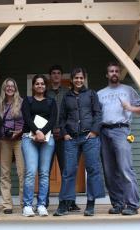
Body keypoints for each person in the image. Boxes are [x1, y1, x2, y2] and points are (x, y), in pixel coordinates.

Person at [54, 67, 105, 217]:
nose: (78, 80)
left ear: (84, 79)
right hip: (71, 138)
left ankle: (90, 203)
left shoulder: (91, 94)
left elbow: (98, 114)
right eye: (76, 78)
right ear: (72, 79)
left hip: (89, 137)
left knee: (93, 169)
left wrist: (95, 131)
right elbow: (62, 118)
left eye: (81, 78)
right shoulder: (67, 97)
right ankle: (65, 203)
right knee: (68, 171)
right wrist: (64, 134)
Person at [97, 61, 140, 215]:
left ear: (119, 73)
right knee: (109, 171)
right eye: (111, 71)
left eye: (117, 71)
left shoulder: (128, 90)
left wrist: (130, 108)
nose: (114, 73)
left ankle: (132, 205)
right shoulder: (100, 93)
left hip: (121, 131)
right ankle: (118, 204)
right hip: (104, 132)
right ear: (107, 74)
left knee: (125, 169)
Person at [21, 74, 57, 217]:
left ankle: (41, 204)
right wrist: (37, 132)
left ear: (45, 86)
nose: (40, 86)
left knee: (44, 173)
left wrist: (42, 133)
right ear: (33, 86)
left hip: (47, 140)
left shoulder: (51, 102)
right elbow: (27, 117)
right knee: (30, 172)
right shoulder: (27, 101)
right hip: (29, 138)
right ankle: (27, 205)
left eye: (42, 84)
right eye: (37, 83)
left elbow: (53, 119)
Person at [47, 65, 80, 211]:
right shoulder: (45, 93)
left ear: (61, 76)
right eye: (53, 73)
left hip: (64, 135)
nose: (55, 76)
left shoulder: (68, 93)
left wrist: (64, 130)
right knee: (45, 170)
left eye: (58, 73)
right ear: (50, 76)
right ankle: (44, 201)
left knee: (67, 169)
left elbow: (71, 114)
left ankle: (70, 201)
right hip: (47, 136)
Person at [0, 78, 24, 214]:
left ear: (15, 88)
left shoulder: (21, 102)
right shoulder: (0, 104)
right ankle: (7, 204)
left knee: (22, 172)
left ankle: (24, 203)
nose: (10, 88)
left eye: (12, 86)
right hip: (4, 140)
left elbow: (27, 121)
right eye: (7, 86)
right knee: (5, 173)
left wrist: (19, 131)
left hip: (19, 140)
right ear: (4, 88)